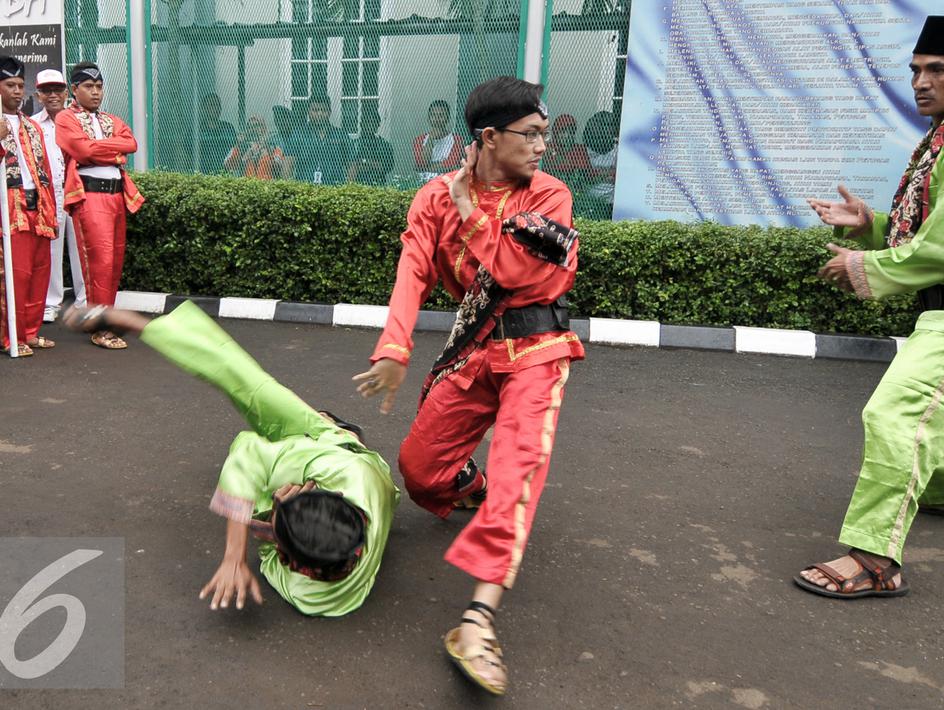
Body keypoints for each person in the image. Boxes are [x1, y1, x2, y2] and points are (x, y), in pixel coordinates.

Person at [352, 76, 583, 695]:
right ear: (488, 137)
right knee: (421, 471)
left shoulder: (551, 197)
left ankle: (476, 622)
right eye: (530, 134)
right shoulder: (431, 198)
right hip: (475, 352)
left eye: (543, 133)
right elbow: (412, 271)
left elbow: (514, 270)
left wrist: (472, 213)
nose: (543, 145)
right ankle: (480, 494)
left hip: (537, 349)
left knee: (519, 470)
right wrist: (395, 350)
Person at [796, 16, 944, 599]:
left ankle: (876, 560)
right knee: (927, 412)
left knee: (898, 418)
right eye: (916, 70)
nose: (922, 82)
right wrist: (874, 226)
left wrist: (865, 266)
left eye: (939, 70)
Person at [62, 301, 400, 616]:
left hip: (327, 465)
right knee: (241, 377)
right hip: (339, 453)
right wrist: (235, 556)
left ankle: (326, 422)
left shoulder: (312, 598)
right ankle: (133, 322)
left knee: (255, 475)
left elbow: (267, 547)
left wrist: (269, 517)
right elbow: (246, 449)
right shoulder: (335, 471)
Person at [55, 61, 144, 350]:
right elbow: (80, 149)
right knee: (100, 264)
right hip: (90, 197)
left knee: (114, 263)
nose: (95, 92)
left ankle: (101, 322)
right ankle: (100, 329)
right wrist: (112, 152)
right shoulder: (66, 119)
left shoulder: (110, 119)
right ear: (74, 89)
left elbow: (130, 144)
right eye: (89, 87)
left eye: (99, 86)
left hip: (116, 196)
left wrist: (99, 151)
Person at [1, 56, 58, 357]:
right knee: (18, 275)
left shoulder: (32, 126)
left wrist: (51, 209)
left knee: (40, 272)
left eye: (20, 86)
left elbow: (44, 169)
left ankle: (32, 332)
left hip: (38, 204)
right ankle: (13, 336)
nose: (17, 91)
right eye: (10, 85)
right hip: (11, 207)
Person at [33, 70, 85, 324]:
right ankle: (50, 303)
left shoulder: (79, 121)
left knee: (82, 247)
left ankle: (84, 302)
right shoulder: (32, 125)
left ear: (67, 93)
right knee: (51, 248)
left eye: (57, 90)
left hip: (79, 192)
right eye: (47, 90)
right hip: (49, 194)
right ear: (38, 94)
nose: (53, 95)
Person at [284, 95, 352, 185]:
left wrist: (348, 189)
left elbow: (352, 164)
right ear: (308, 112)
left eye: (323, 110)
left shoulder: (341, 135)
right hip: (305, 190)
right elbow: (288, 163)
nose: (319, 114)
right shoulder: (298, 134)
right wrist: (288, 188)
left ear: (329, 112)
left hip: (335, 191)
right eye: (315, 110)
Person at [412, 99, 465, 183]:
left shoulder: (457, 140)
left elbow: (451, 165)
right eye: (433, 115)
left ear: (447, 118)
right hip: (424, 184)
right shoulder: (419, 140)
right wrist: (430, 140)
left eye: (441, 115)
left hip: (447, 183)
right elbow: (421, 164)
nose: (437, 119)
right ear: (429, 118)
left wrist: (425, 168)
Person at [223, 115, 283, 180]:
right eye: (249, 127)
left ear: (264, 128)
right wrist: (240, 146)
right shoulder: (242, 148)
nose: (252, 129)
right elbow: (227, 166)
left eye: (256, 125)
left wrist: (267, 152)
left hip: (267, 187)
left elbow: (280, 166)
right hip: (248, 187)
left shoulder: (273, 148)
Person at [348, 111, 395, 186]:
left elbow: (387, 166)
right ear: (361, 124)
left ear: (378, 125)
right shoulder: (354, 144)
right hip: (357, 187)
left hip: (378, 184)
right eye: (367, 122)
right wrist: (374, 164)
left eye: (373, 123)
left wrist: (362, 164)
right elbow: (351, 167)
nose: (370, 126)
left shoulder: (384, 145)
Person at [540, 113, 590, 179]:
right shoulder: (547, 148)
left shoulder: (579, 149)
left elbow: (585, 174)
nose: (567, 136)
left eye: (571, 132)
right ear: (556, 133)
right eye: (563, 132)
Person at [198, 93, 236, 174]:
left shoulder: (228, 128)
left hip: (225, 174)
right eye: (211, 105)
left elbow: (235, 150)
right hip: (202, 174)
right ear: (203, 108)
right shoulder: (196, 130)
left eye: (217, 105)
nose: (215, 108)